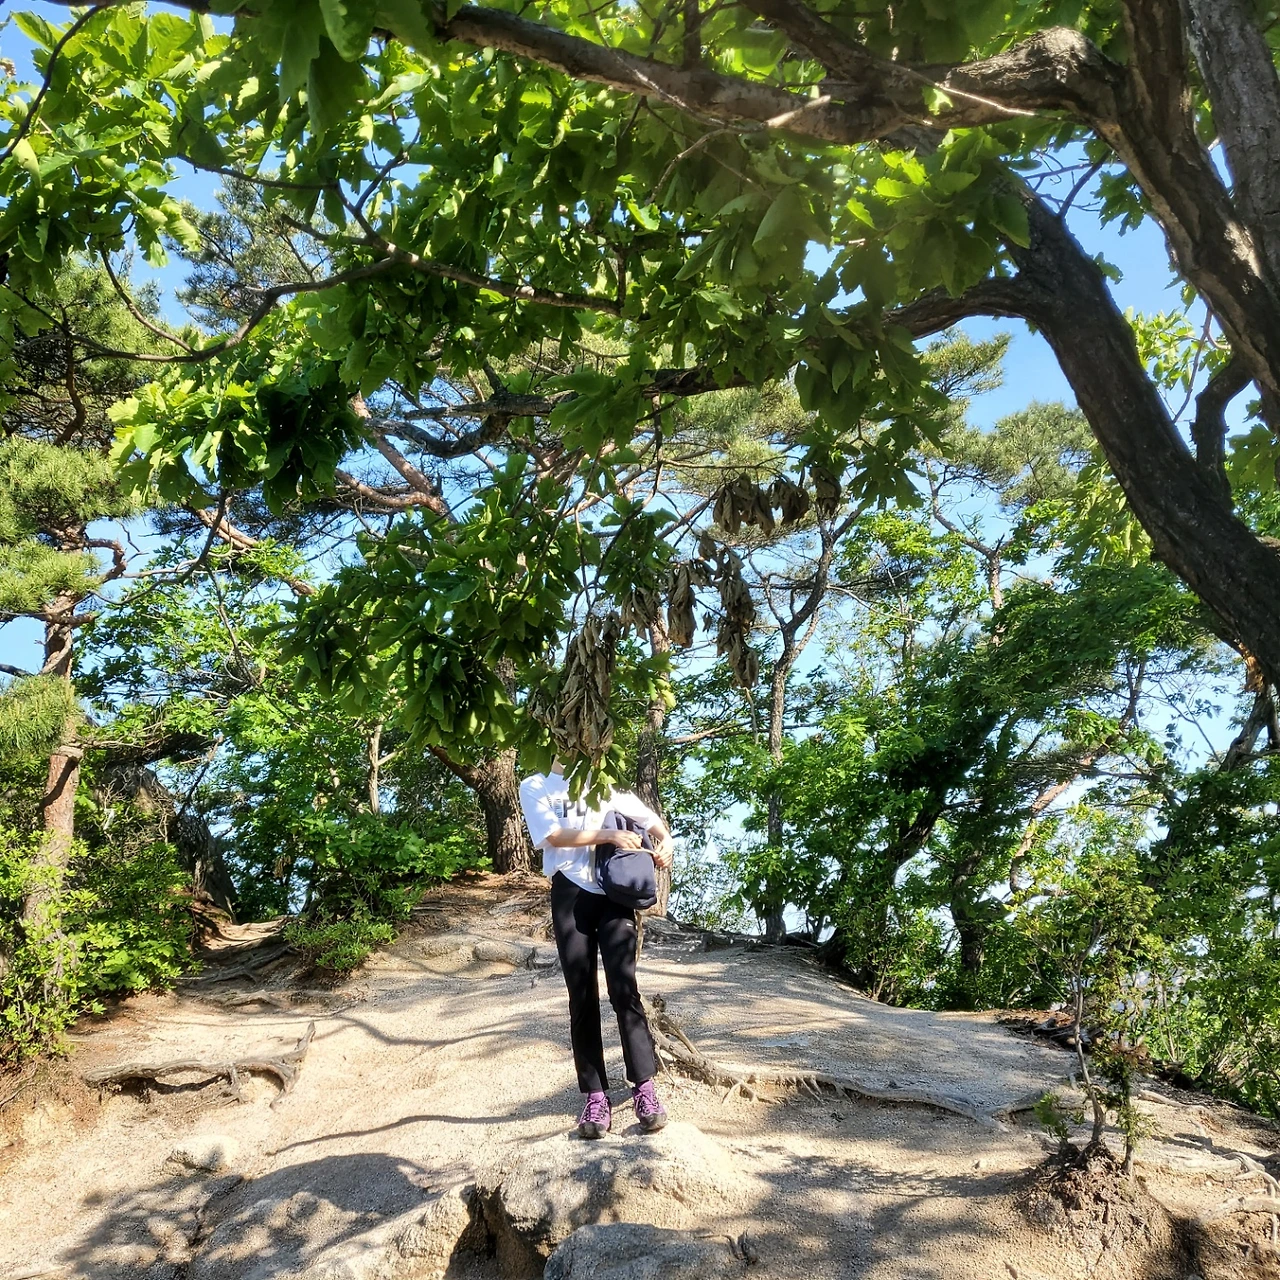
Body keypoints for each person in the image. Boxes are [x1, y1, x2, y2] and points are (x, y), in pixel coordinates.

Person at [519, 759, 674, 1138]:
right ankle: (595, 1095)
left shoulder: (603, 784)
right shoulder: (536, 785)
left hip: (613, 894)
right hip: (570, 893)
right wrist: (610, 836)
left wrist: (667, 844)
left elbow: (653, 822)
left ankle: (644, 1089)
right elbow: (554, 835)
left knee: (625, 989)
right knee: (582, 995)